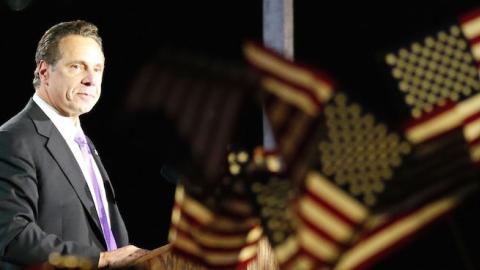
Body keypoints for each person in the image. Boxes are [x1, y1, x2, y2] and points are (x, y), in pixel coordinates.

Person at [0, 20, 147, 269]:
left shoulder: (82, 142)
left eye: (97, 68)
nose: (91, 79)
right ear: (44, 71)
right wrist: (100, 260)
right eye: (77, 67)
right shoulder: (13, 139)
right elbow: (12, 236)